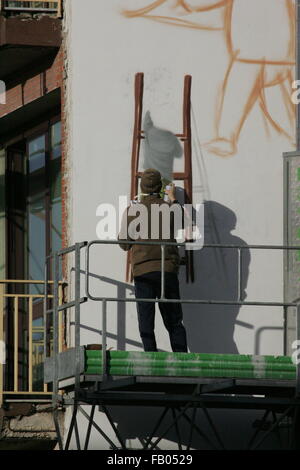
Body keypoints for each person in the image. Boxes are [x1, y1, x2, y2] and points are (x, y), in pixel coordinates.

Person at [118, 168, 188, 352]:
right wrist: (172, 197)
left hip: (143, 271)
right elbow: (183, 223)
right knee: (174, 321)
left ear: (141, 186)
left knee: (146, 320)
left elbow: (124, 244)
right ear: (160, 187)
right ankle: (181, 361)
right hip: (167, 270)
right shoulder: (169, 209)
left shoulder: (133, 211)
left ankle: (151, 358)